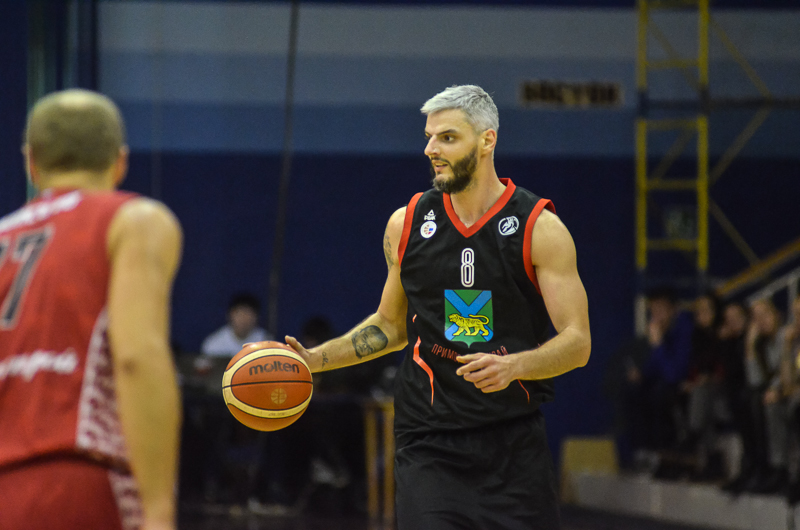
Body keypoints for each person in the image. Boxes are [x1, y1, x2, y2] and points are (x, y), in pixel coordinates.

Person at [285, 85, 591, 530]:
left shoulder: (540, 228)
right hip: (428, 441)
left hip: (512, 445)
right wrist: (317, 360)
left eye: (448, 137)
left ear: (487, 141)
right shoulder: (406, 223)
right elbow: (390, 326)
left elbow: (578, 343)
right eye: (429, 137)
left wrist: (516, 366)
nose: (431, 149)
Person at [0, 90, 182, 530]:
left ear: (31, 163)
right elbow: (136, 358)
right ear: (120, 162)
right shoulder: (134, 221)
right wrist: (159, 511)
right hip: (80, 483)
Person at [200, 292, 271, 358]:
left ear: (257, 317)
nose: (244, 318)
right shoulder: (214, 344)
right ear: (230, 315)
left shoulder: (266, 341)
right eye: (239, 314)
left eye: (248, 314)